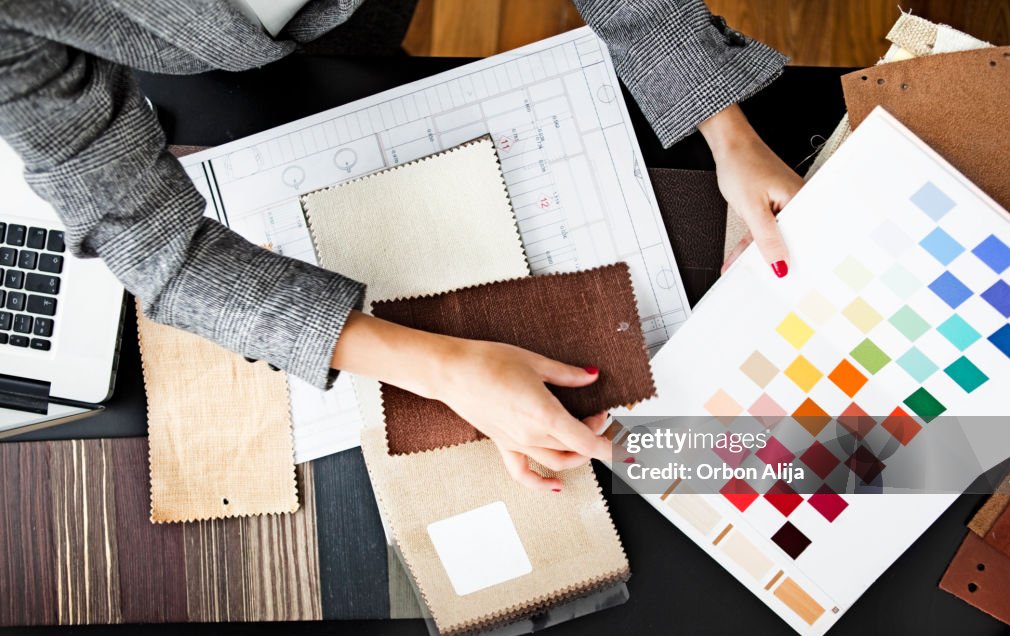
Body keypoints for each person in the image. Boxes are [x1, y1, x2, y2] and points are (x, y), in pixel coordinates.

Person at [0, 0, 803, 491]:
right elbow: (154, 247)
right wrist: (446, 367)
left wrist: (721, 124)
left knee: (366, 39)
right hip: (212, 66)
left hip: (349, 20)